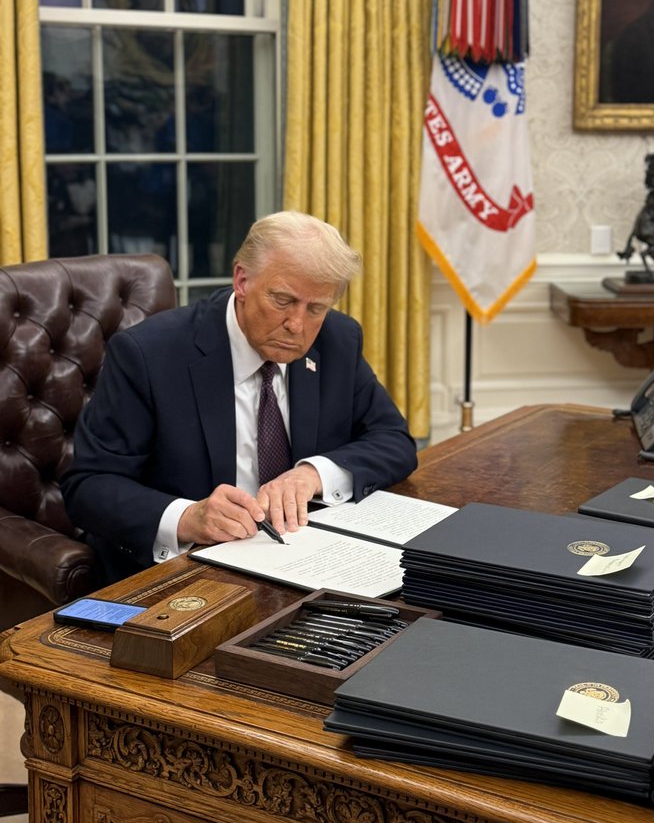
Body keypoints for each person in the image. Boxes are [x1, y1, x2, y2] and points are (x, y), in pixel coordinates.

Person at [61, 211, 418, 583]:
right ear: (242, 281)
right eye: (283, 300)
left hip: (304, 561)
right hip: (186, 574)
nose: (297, 325)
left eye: (316, 308)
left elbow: (394, 440)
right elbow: (89, 486)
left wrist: (312, 474)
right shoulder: (148, 355)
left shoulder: (337, 340)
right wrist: (187, 518)